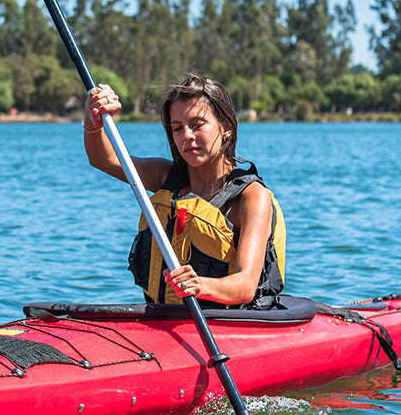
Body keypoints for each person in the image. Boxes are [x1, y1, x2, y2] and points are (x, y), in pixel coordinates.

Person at [83, 74, 285, 309]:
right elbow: (103, 160)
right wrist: (93, 119)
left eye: (197, 125)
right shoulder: (165, 177)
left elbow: (246, 285)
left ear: (226, 128)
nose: (187, 136)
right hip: (169, 319)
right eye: (177, 128)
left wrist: (200, 285)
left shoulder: (250, 198)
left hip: (233, 324)